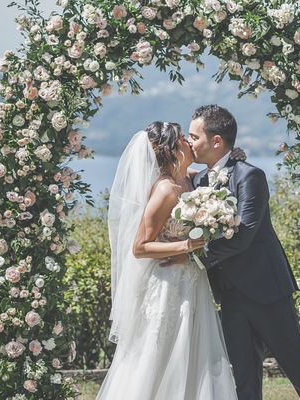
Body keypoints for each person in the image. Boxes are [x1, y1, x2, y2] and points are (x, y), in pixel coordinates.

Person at [163, 105, 300, 400]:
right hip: (228, 293)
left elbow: (243, 237)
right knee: (242, 377)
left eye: (194, 136)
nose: (189, 143)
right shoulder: (198, 181)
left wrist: (190, 256)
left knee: (297, 366)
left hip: (266, 289)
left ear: (216, 142)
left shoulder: (250, 176)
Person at [96, 121, 238, 400]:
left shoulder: (190, 179)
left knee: (196, 354)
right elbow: (139, 247)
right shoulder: (165, 190)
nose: (190, 142)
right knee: (161, 355)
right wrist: (186, 245)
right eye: (184, 138)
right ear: (173, 150)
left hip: (192, 281)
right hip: (168, 286)